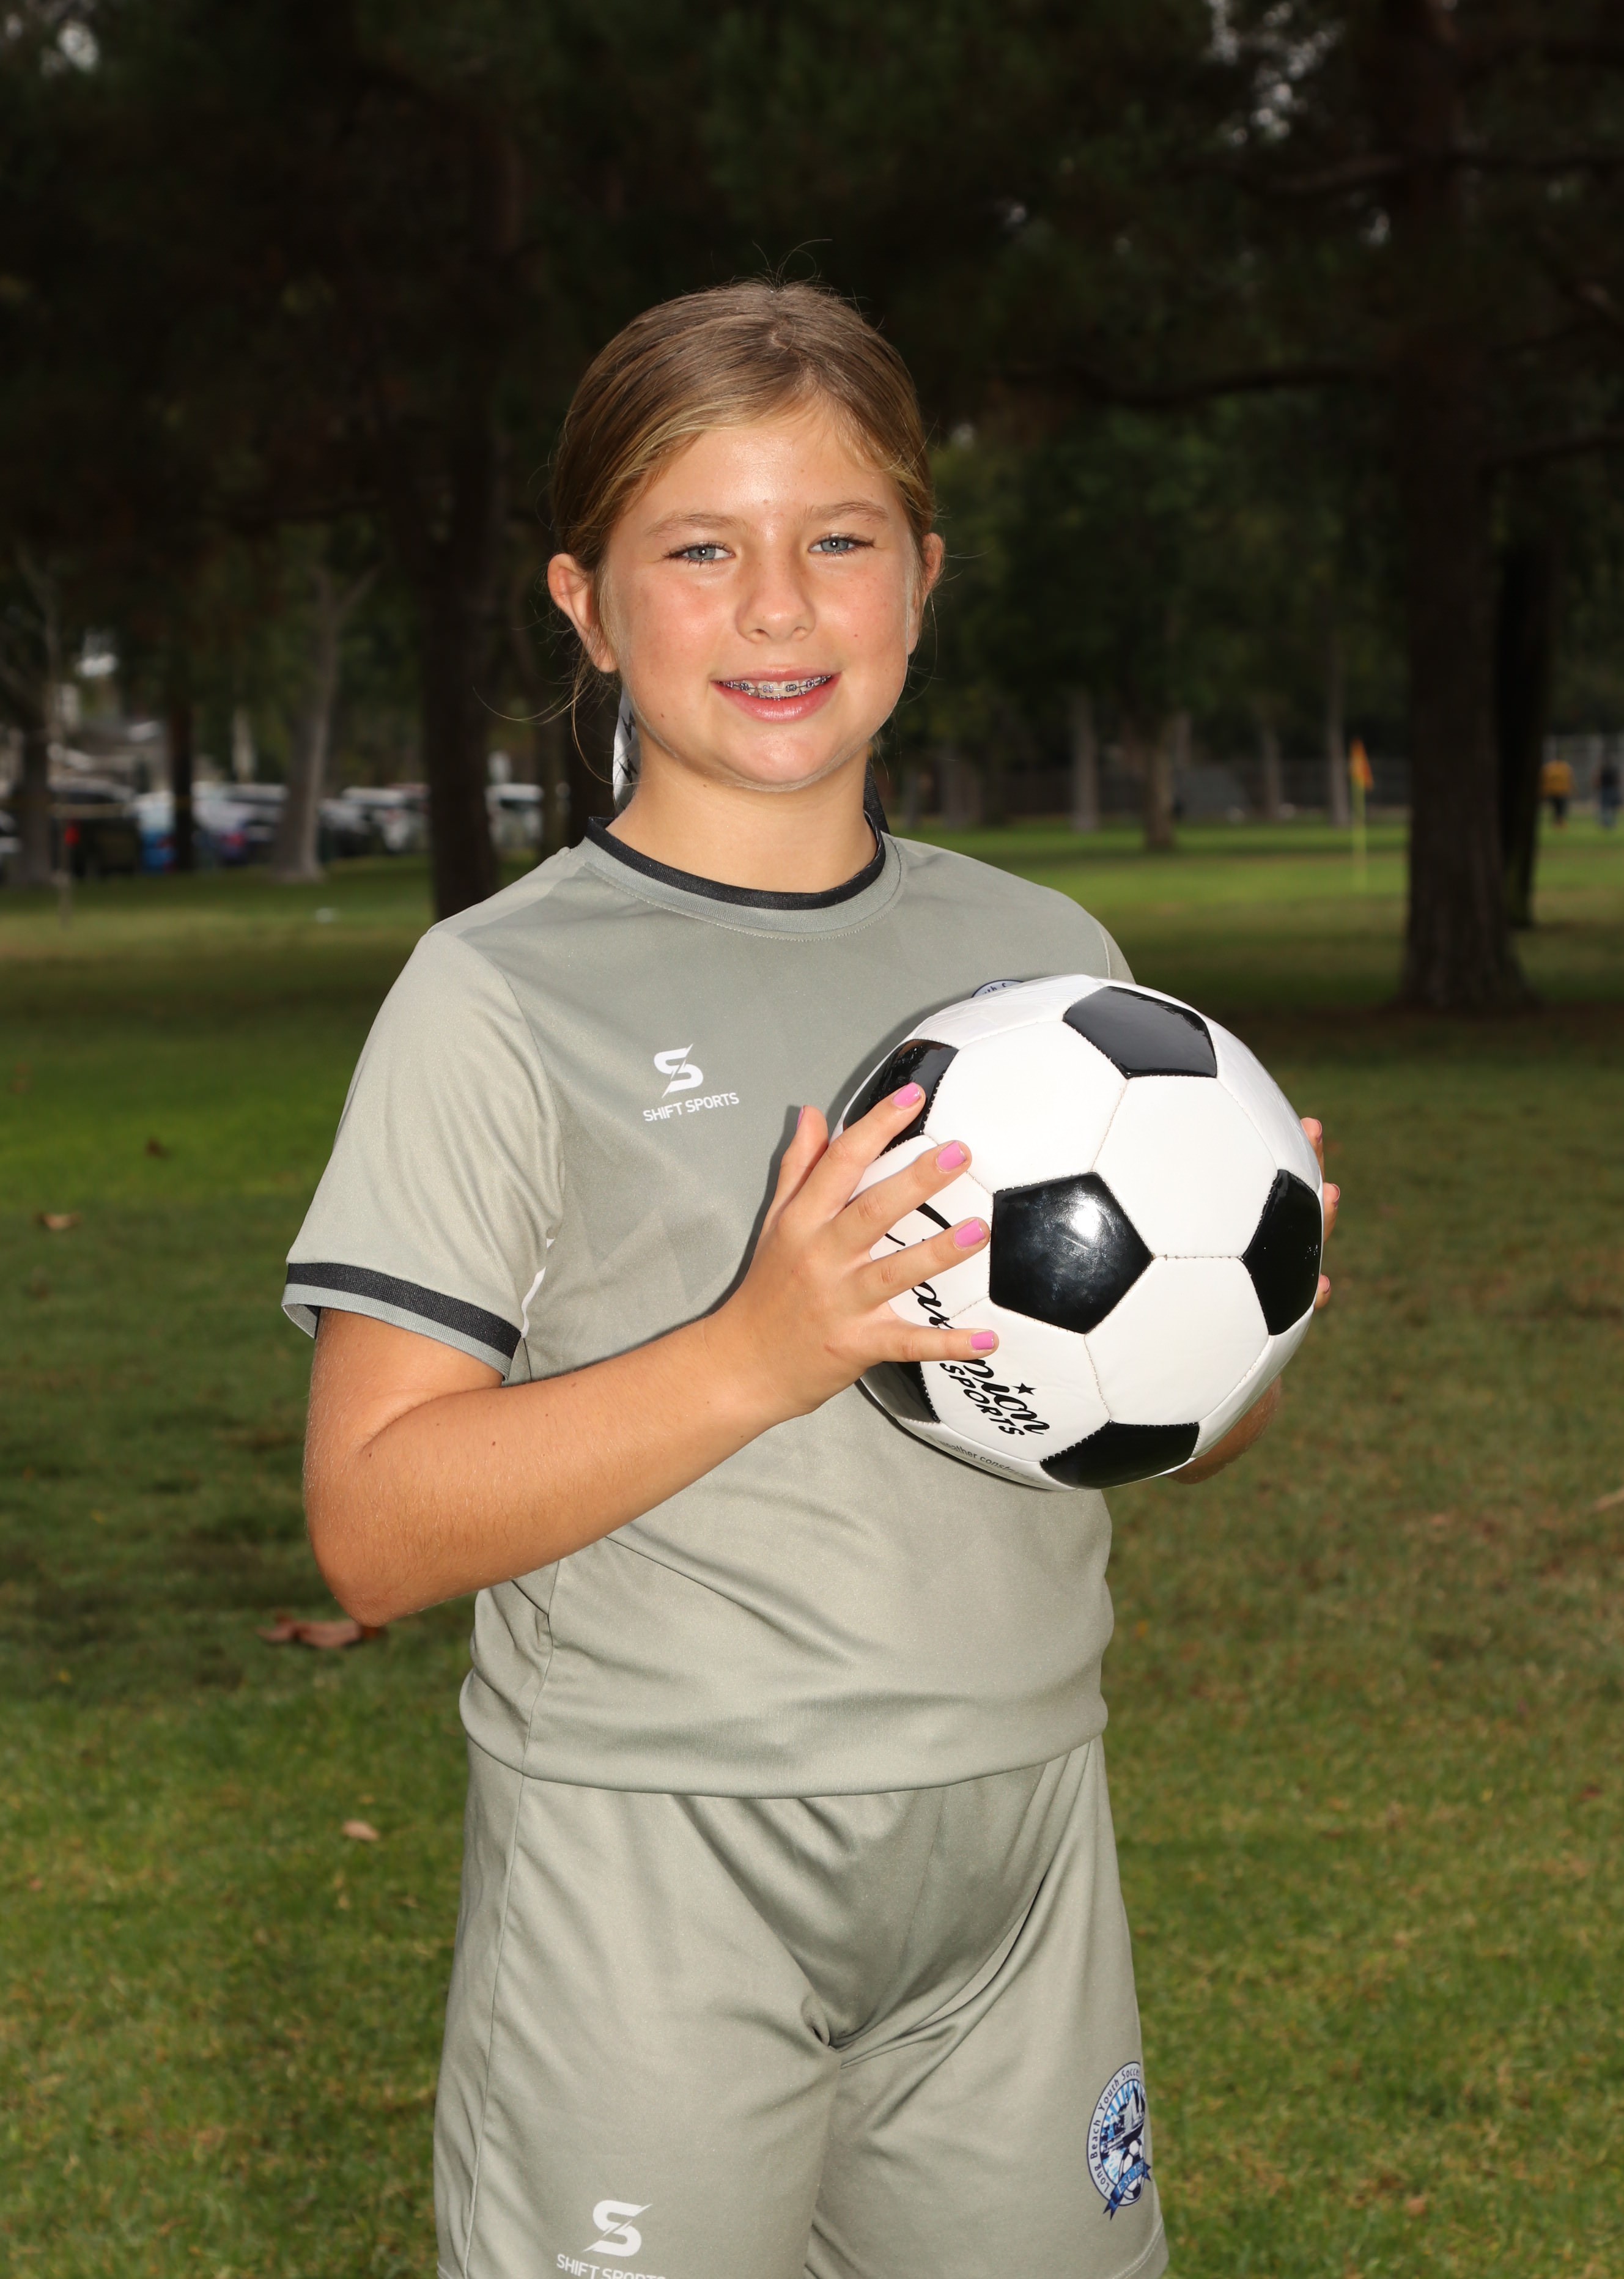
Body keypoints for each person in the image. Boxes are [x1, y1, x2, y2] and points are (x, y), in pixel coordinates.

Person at [287, 282, 1338, 2279]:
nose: (777, 605)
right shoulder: (494, 995)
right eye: (700, 549)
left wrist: (1240, 1313)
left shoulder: (1052, 964)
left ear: (922, 579)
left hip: (1014, 1844)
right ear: (587, 605)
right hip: (656, 1861)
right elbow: (372, 1526)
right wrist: (757, 1353)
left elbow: (1157, 1432)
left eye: (838, 538)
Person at [1540, 753, 1573, 826]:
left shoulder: (1550, 768)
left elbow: (1546, 781)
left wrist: (1545, 791)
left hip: (1555, 792)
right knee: (1560, 808)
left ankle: (1558, 822)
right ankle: (1559, 822)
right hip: (1560, 792)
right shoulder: (1565, 768)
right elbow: (1569, 780)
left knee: (1557, 808)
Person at [1598, 752, 1620, 830]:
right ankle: (1610, 822)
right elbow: (1617, 779)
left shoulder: (1604, 769)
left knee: (1606, 807)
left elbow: (1599, 779)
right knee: (1610, 807)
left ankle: (1607, 822)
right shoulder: (1611, 769)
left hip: (1607, 789)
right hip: (1609, 789)